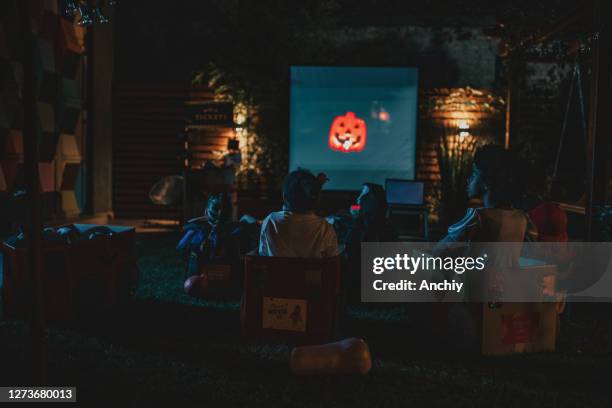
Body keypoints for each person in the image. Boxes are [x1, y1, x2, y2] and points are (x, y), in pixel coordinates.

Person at [258, 169, 339, 258]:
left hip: (278, 272)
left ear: (285, 197)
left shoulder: (271, 221)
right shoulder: (325, 228)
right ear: (316, 199)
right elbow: (332, 263)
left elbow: (263, 255)